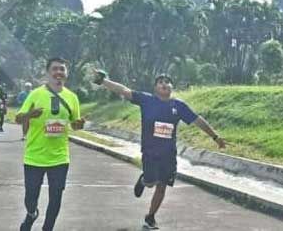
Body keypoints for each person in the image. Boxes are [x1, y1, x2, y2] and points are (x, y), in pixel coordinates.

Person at [93, 70, 226, 230]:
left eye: (167, 81)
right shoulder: (147, 100)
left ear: (171, 87)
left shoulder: (179, 106)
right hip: (150, 152)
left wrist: (215, 137)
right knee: (151, 183)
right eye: (160, 82)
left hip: (168, 154)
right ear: (155, 87)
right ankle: (144, 181)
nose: (164, 84)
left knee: (162, 186)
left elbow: (198, 120)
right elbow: (124, 90)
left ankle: (150, 217)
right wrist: (103, 81)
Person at [15, 58, 85, 231]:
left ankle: (48, 228)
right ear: (48, 73)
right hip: (34, 156)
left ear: (66, 74)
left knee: (56, 198)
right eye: (55, 69)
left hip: (59, 158)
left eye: (62, 69)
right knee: (30, 198)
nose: (58, 72)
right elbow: (18, 119)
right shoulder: (36, 94)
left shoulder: (72, 97)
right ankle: (31, 214)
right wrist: (30, 114)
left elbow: (74, 124)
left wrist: (79, 124)